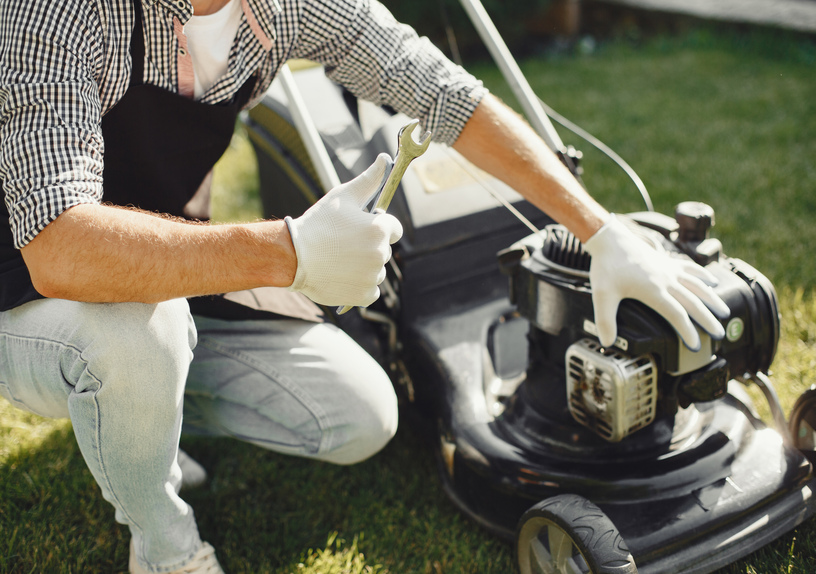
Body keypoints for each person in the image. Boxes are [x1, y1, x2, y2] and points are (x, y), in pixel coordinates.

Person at [0, 0, 730, 572]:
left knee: (358, 415)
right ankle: (162, 545)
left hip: (177, 276)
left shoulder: (281, 7)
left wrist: (601, 232)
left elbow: (443, 92)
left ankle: (137, 419)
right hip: (28, 299)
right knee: (138, 333)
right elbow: (59, 247)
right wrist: (288, 251)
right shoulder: (58, 8)